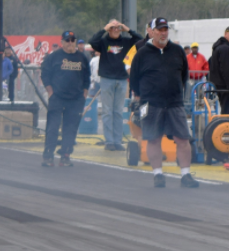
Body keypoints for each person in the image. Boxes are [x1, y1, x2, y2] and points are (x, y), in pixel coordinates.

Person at [129, 17, 198, 189]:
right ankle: (158, 174)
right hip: (151, 103)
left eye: (165, 29)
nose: (163, 32)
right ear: (151, 31)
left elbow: (184, 75)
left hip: (175, 102)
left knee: (183, 138)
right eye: (159, 29)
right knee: (153, 139)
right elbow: (134, 79)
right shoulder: (142, 53)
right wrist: (139, 98)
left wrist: (179, 94)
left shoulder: (178, 51)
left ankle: (186, 175)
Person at [40, 31, 90, 167]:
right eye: (67, 40)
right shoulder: (54, 57)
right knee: (53, 127)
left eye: (73, 40)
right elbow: (44, 74)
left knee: (70, 129)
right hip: (57, 97)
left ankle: (65, 156)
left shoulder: (82, 57)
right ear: (62, 42)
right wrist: (50, 91)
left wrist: (84, 94)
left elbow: (87, 77)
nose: (70, 43)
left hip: (75, 99)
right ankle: (48, 156)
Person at [88, 20, 140, 152]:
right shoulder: (103, 42)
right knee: (107, 111)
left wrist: (127, 29)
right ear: (109, 29)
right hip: (107, 79)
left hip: (122, 80)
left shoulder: (126, 42)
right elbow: (92, 42)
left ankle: (117, 141)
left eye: (118, 28)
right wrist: (104, 29)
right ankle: (109, 141)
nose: (116, 30)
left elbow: (140, 40)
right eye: (113, 28)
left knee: (117, 112)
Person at [208, 27, 229, 115]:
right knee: (227, 112)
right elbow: (226, 69)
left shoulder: (218, 47)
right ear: (226, 34)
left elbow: (210, 62)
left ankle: (224, 126)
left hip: (219, 85)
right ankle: (226, 128)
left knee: (224, 110)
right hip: (225, 86)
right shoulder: (225, 49)